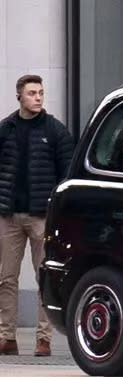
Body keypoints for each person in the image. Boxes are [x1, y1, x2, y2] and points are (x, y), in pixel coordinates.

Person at [0, 75, 74, 356]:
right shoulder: (6, 129)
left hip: (43, 216)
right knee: (6, 277)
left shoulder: (55, 131)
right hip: (9, 215)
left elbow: (66, 173)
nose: (39, 98)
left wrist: (57, 208)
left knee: (44, 276)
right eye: (32, 93)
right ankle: (7, 337)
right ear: (19, 96)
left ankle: (44, 339)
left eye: (41, 92)